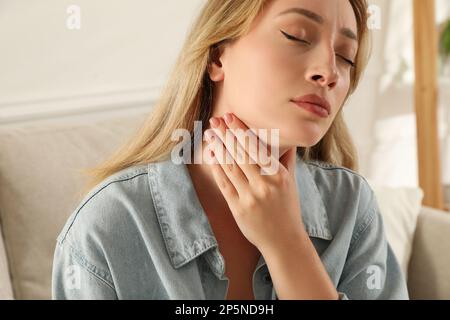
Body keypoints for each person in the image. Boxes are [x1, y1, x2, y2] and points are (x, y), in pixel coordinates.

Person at [52, 0, 409, 300]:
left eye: (346, 56)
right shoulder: (110, 225)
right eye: (296, 36)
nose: (330, 72)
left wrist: (287, 244)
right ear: (218, 56)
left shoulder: (351, 207)